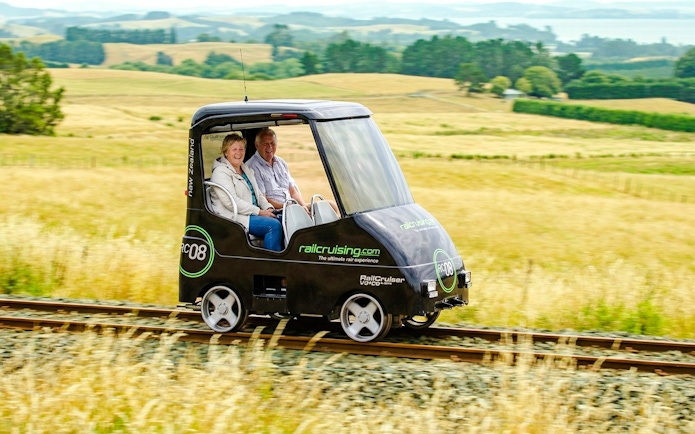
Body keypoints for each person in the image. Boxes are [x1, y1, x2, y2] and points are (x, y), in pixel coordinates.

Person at [210, 133, 283, 252]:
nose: (238, 153)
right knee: (273, 226)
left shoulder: (245, 169)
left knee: (284, 219)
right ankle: (271, 267)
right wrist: (259, 212)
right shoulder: (220, 173)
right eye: (234, 149)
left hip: (252, 213)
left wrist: (268, 208)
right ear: (226, 152)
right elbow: (232, 202)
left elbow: (258, 194)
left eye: (241, 149)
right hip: (235, 217)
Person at [247, 127, 339, 215]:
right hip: (277, 210)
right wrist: (288, 206)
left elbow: (293, 191)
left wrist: (303, 206)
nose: (269, 147)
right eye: (265, 143)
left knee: (331, 206)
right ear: (257, 145)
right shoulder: (252, 167)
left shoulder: (281, 162)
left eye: (272, 143)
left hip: (293, 206)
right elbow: (263, 199)